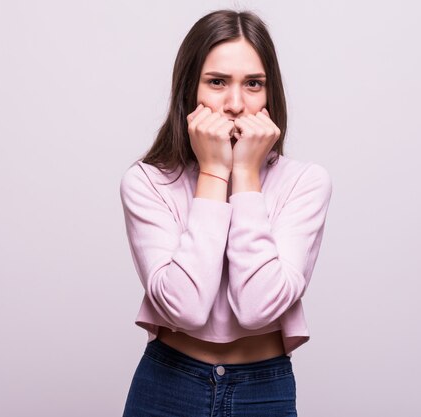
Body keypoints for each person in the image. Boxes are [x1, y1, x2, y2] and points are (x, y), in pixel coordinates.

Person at [119, 9, 332, 417]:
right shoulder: (147, 182)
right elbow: (185, 309)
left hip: (263, 389)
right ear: (189, 91)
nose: (235, 104)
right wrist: (215, 172)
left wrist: (247, 175)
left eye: (253, 84)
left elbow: (257, 308)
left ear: (271, 95)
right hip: (167, 386)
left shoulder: (306, 182)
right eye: (217, 82)